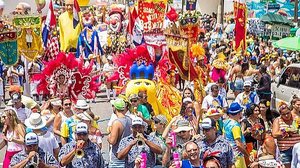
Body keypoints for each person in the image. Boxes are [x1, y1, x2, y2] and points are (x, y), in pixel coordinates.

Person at [272, 102, 300, 168]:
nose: (286, 115)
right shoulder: (277, 120)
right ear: (280, 114)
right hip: (285, 150)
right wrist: (286, 132)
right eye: (283, 114)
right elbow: (274, 134)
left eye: (288, 113)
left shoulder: (296, 119)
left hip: (297, 148)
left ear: (290, 111)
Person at [107, 98, 132, 167]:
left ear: (115, 108)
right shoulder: (129, 119)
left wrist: (108, 137)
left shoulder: (117, 122)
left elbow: (112, 141)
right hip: (128, 155)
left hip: (117, 158)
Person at [223, 102, 248, 168]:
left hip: (228, 156)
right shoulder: (235, 126)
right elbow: (238, 144)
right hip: (237, 157)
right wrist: (247, 155)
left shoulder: (226, 122)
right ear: (239, 113)